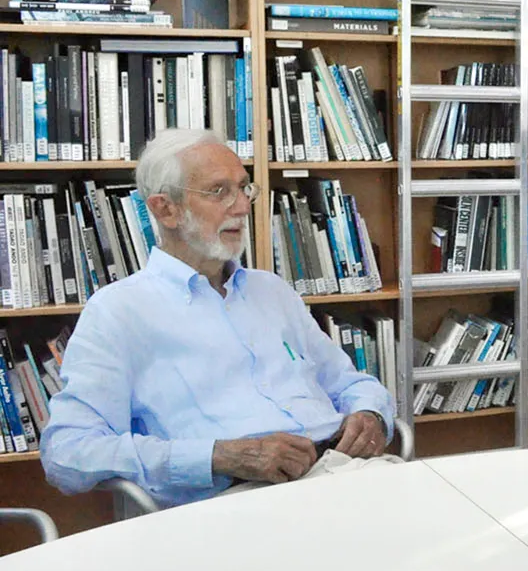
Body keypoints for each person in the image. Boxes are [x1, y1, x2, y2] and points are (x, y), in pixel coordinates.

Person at [41, 129, 397, 507]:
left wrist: (370, 412)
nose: (242, 207)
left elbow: (350, 383)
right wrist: (217, 457)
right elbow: (67, 451)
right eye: (219, 191)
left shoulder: (272, 291)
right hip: (241, 498)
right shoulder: (118, 311)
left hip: (345, 471)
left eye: (244, 188)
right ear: (165, 209)